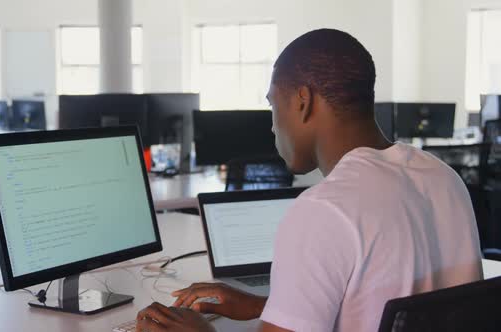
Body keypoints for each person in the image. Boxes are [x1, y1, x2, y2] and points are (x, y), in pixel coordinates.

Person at [135, 28, 483, 332]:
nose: (272, 126)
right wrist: (267, 307)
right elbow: (398, 308)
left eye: (274, 106)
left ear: (303, 101)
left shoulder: (325, 209)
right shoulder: (442, 177)